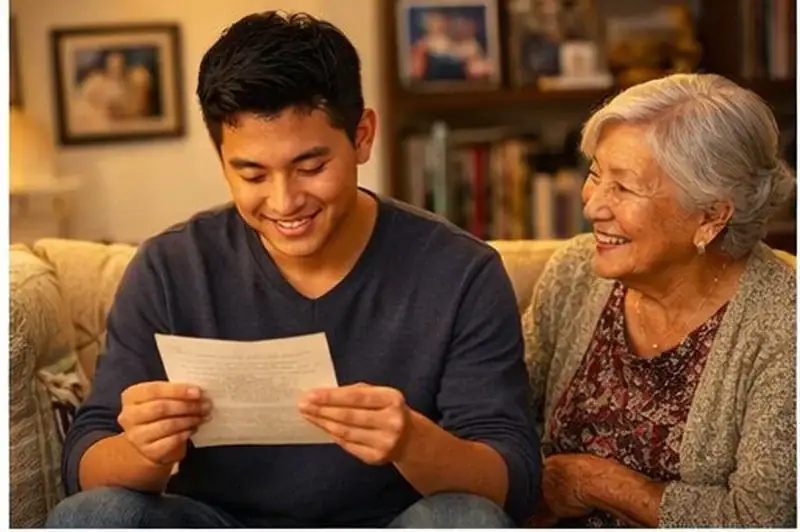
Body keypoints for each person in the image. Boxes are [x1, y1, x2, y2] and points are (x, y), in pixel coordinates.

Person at [45, 11, 541, 529]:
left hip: (397, 522)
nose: (284, 202)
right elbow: (84, 463)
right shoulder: (171, 267)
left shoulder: (461, 271)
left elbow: (514, 482)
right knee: (94, 516)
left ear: (363, 137)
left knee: (465, 520)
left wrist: (412, 443)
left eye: (310, 168)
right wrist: (143, 451)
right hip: (219, 521)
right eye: (252, 174)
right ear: (222, 161)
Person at [523, 73, 796, 528]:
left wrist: (597, 482)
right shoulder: (574, 273)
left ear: (710, 216)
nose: (592, 207)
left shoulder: (783, 328)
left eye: (624, 187)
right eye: (595, 174)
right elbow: (495, 413)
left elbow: (758, 520)